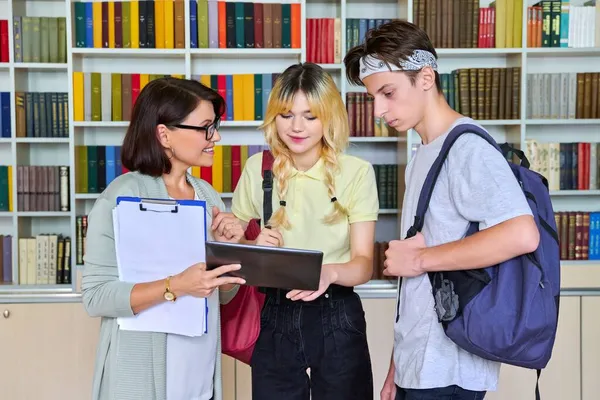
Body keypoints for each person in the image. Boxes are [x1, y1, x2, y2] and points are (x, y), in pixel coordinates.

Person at [344, 21, 540, 400]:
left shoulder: (467, 149)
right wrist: (398, 367)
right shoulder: (424, 153)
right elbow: (415, 286)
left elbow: (522, 233)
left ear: (426, 77)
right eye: (373, 98)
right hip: (420, 365)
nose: (380, 110)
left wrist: (418, 260)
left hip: (450, 369)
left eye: (388, 93)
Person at [81, 77, 247, 400]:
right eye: (205, 128)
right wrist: (178, 286)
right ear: (164, 134)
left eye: (215, 126)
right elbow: (97, 297)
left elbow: (220, 295)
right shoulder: (120, 198)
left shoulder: (209, 197)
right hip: (141, 375)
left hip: (198, 371)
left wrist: (230, 257)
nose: (216, 137)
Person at [227, 62, 379, 399]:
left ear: (329, 117)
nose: (296, 127)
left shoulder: (357, 172)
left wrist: (327, 273)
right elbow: (231, 247)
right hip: (275, 313)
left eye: (310, 116)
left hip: (336, 313)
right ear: (273, 117)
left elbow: (364, 264)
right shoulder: (258, 169)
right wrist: (252, 242)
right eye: (286, 115)